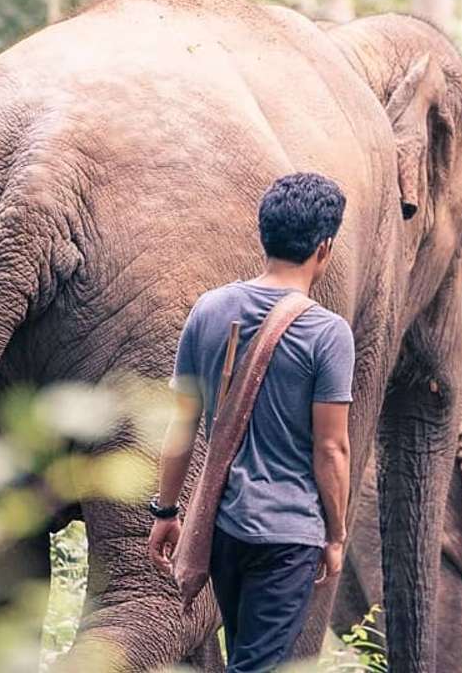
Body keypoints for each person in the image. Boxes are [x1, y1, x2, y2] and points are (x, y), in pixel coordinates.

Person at [146, 172, 354, 672]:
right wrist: (336, 534)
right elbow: (331, 449)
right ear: (324, 248)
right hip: (289, 537)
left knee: (245, 656)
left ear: (264, 234)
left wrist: (166, 511)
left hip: (224, 529)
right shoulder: (328, 334)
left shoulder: (210, 310)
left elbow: (181, 427)